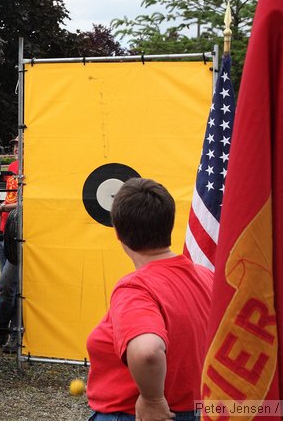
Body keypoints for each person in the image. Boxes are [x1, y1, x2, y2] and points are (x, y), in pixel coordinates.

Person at [86, 178, 213, 421]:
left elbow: (147, 351)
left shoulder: (136, 287)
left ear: (117, 232)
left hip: (139, 415)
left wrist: (152, 400)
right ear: (169, 224)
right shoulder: (206, 277)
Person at [0, 137, 20, 353]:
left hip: (21, 233)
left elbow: (29, 199)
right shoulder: (12, 167)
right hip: (6, 232)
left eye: (21, 145)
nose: (16, 148)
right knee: (8, 286)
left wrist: (6, 207)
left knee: (7, 284)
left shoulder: (35, 168)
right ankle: (4, 330)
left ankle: (11, 332)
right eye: (14, 145)